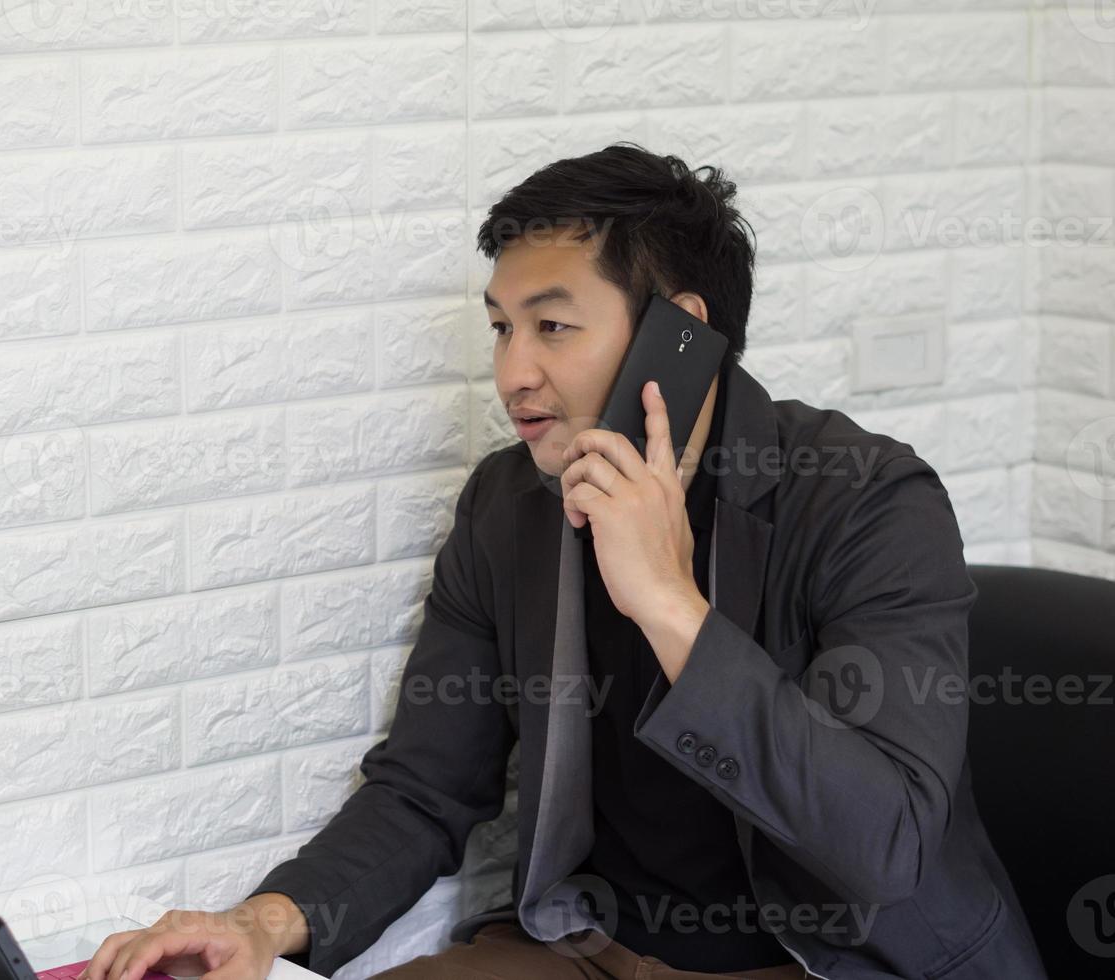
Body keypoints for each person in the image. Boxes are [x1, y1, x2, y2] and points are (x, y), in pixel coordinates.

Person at [78, 143, 1046, 980]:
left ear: (681, 334)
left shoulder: (866, 499)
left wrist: (669, 601)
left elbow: (883, 845)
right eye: (502, 325)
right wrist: (264, 923)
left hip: (823, 960)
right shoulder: (511, 505)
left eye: (553, 326)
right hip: (587, 948)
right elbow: (425, 786)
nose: (511, 373)